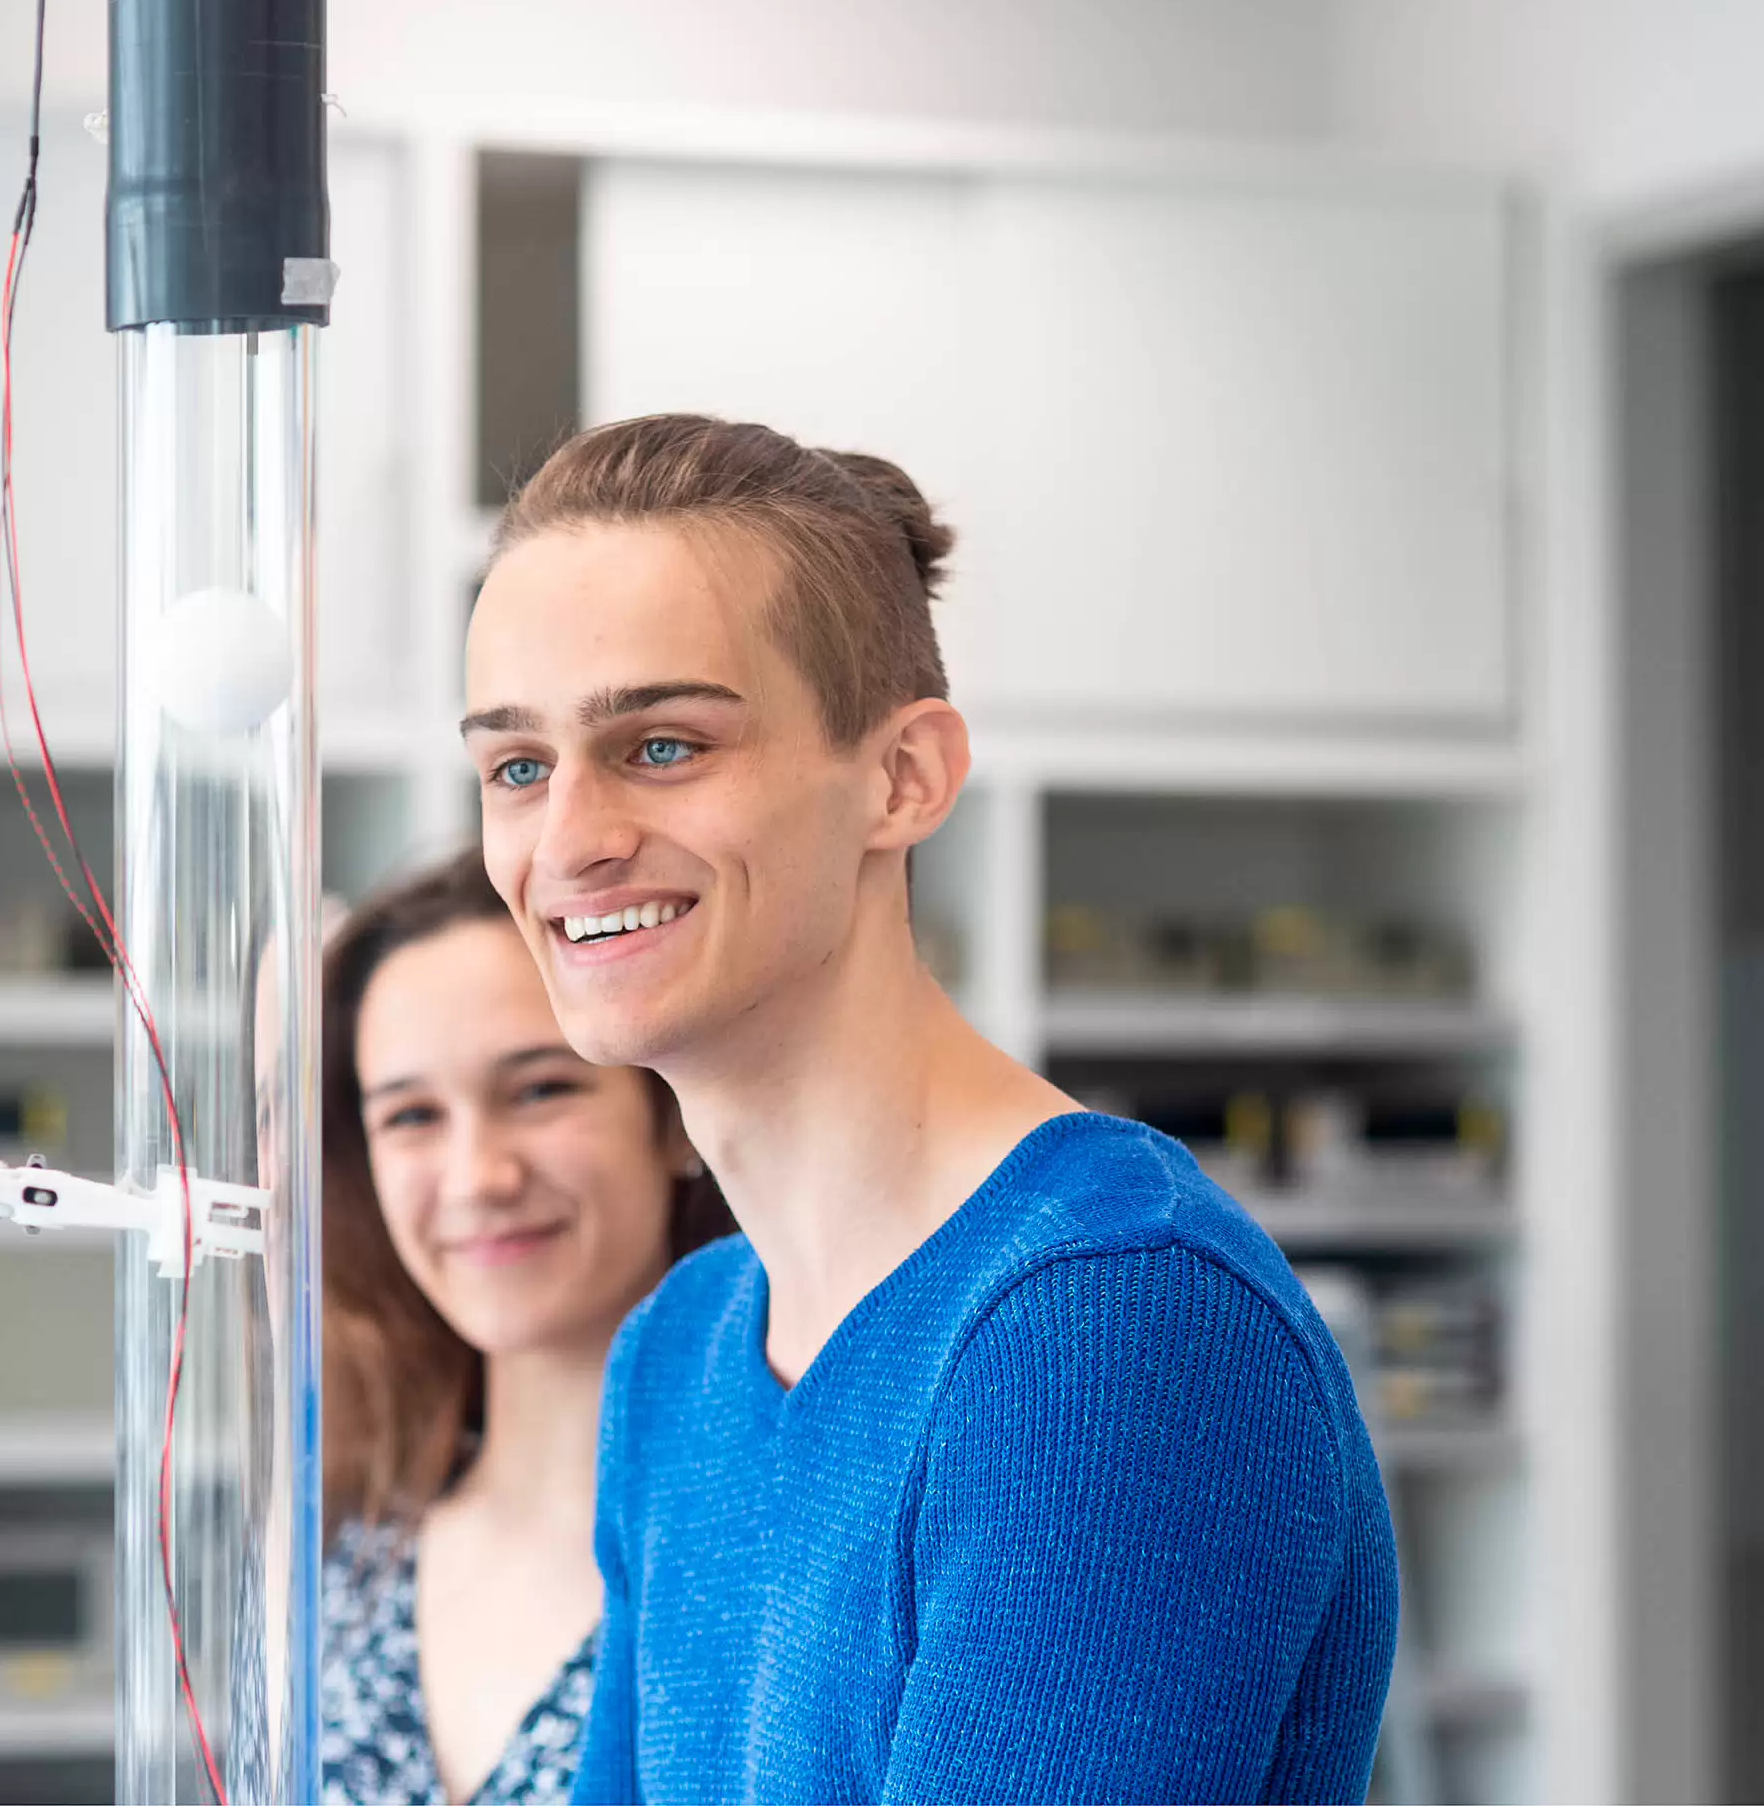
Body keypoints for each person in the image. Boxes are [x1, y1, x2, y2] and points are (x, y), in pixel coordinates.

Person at [459, 414, 1400, 1805]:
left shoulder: (1109, 1325)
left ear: (903, 777)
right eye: (518, 767)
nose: (571, 839)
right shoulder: (681, 1353)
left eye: (661, 746)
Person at [319, 848, 733, 1806]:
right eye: (412, 1116)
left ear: (672, 1119)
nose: (476, 1178)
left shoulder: (768, 1559)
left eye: (541, 1089)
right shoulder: (352, 1560)